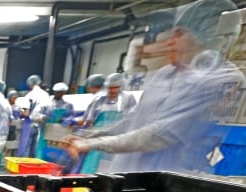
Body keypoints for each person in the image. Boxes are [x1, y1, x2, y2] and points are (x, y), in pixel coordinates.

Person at [65, 0, 245, 175]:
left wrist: (94, 144)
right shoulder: (166, 73)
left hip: (169, 182)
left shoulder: (222, 79)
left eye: (179, 34)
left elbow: (158, 136)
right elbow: (133, 120)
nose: (169, 42)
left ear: (208, 36)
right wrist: (91, 136)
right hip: (126, 175)